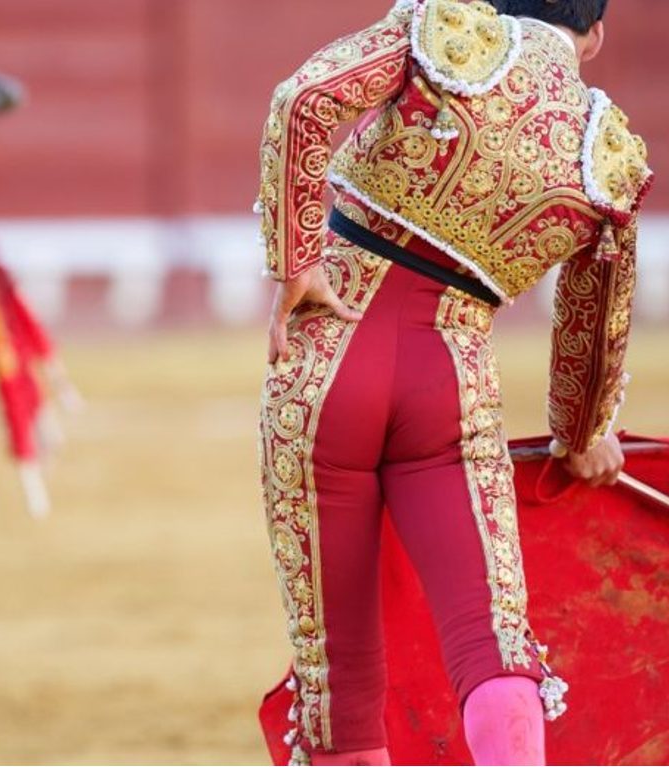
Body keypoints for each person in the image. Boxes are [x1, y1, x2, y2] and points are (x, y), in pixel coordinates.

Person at [254, 0, 652, 764]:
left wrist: (295, 260)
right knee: (490, 639)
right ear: (596, 34)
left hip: (326, 366)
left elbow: (302, 101)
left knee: (339, 675)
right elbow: (591, 327)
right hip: (451, 385)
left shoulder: (444, 34)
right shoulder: (608, 153)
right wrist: (581, 435)